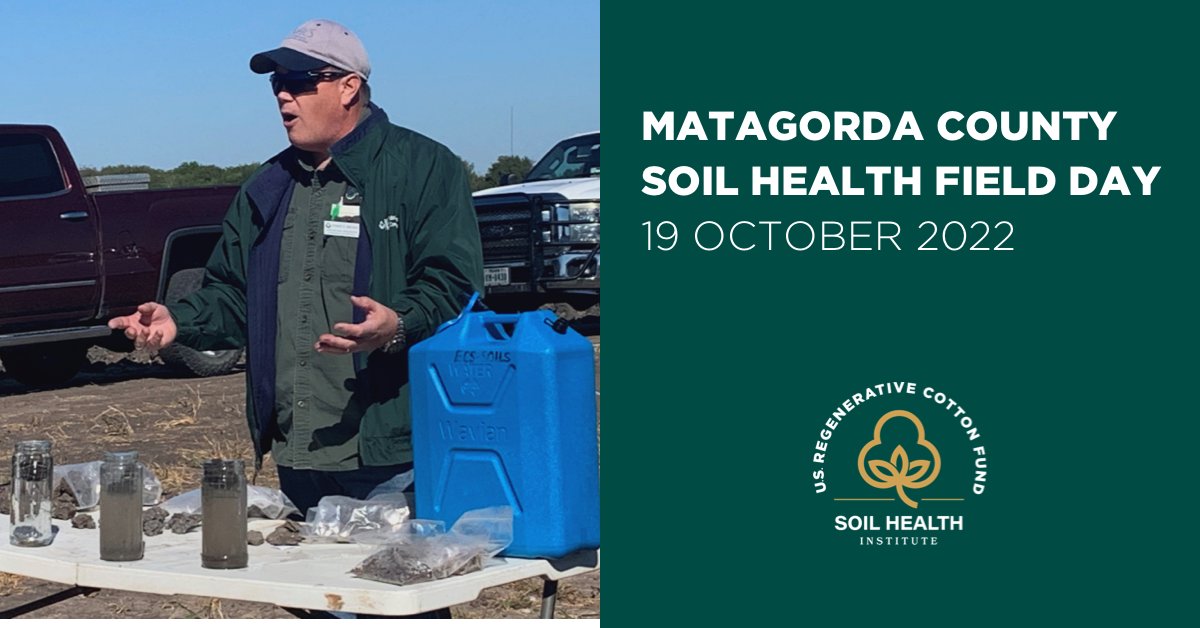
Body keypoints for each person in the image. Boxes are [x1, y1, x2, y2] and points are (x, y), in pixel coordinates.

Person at [109, 18, 483, 515]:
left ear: (350, 86)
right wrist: (180, 321)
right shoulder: (267, 187)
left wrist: (397, 324)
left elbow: (455, 284)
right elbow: (232, 295)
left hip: (395, 452)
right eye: (277, 84)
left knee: (392, 591)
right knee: (311, 592)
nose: (284, 96)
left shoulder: (423, 168)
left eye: (301, 82)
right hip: (297, 450)